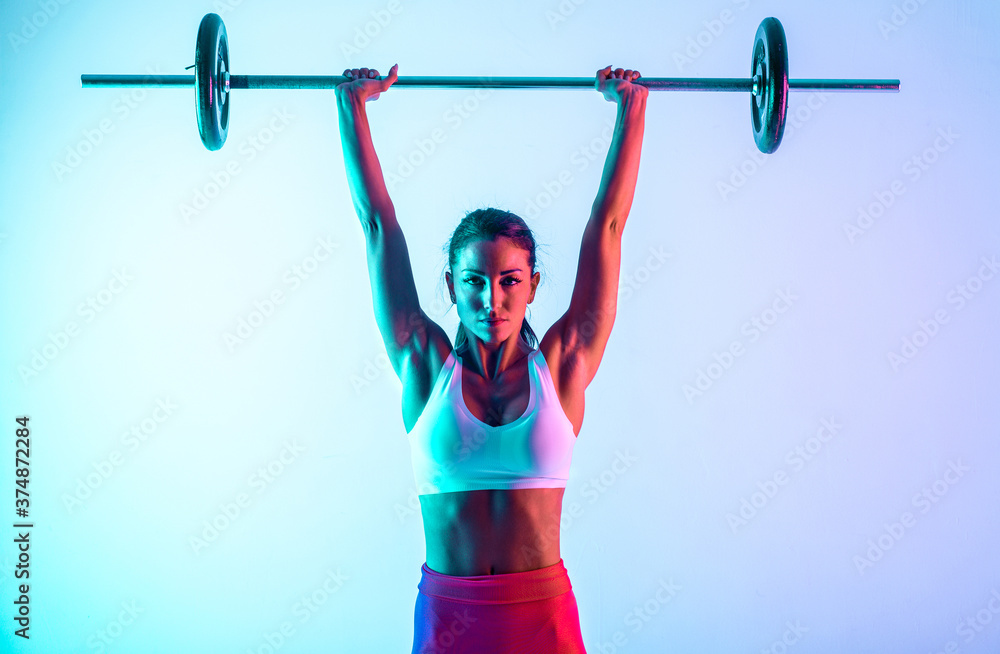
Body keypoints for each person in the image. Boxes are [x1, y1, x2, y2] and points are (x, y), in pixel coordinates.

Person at [336, 62, 646, 654]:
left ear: (532, 285)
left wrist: (631, 110)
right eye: (474, 281)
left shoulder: (563, 365)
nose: (492, 299)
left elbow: (607, 227)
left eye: (509, 281)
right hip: (450, 621)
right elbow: (378, 225)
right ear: (451, 287)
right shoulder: (423, 365)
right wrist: (351, 109)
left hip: (544, 623)